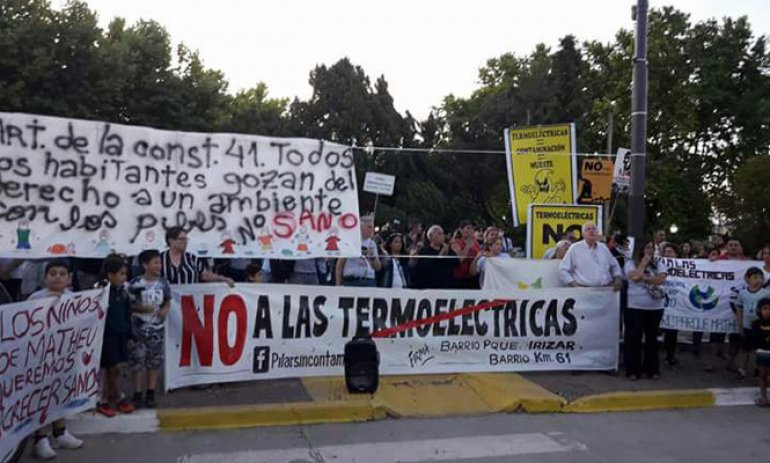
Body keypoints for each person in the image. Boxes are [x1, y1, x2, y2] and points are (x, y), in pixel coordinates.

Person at [28, 260, 83, 460]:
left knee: (61, 394)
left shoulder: (73, 298)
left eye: (62, 273)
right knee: (42, 397)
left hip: (66, 356)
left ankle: (60, 433)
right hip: (41, 357)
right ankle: (40, 438)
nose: (57, 277)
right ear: (45, 278)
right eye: (53, 273)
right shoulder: (35, 298)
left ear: (69, 279)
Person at [128, 250, 171, 409]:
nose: (158, 266)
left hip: (157, 329)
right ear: (145, 265)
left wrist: (165, 310)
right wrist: (140, 309)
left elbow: (167, 300)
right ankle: (137, 392)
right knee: (137, 360)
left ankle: (150, 392)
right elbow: (129, 305)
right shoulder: (134, 284)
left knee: (154, 361)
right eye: (155, 262)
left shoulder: (163, 283)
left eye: (159, 262)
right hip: (138, 329)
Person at [96, 255, 136, 417]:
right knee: (110, 368)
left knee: (118, 368)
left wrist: (130, 335)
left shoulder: (123, 293)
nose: (124, 278)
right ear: (110, 275)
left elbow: (127, 315)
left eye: (125, 274)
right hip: (106, 337)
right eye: (121, 274)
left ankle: (115, 395)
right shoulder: (101, 293)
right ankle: (105, 398)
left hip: (121, 335)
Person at [624, 242, 667, 380]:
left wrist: (645, 278)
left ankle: (651, 369)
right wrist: (643, 264)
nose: (650, 250)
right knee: (634, 338)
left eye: (652, 248)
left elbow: (660, 279)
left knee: (652, 339)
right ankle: (633, 370)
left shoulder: (659, 263)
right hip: (635, 306)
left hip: (655, 307)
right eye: (647, 247)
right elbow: (635, 277)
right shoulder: (630, 263)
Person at [558, 223, 623, 291]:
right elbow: (563, 270)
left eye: (594, 229)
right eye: (588, 229)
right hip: (584, 292)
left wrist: (617, 278)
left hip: (605, 291)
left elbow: (614, 266)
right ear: (583, 234)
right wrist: (574, 285)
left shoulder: (603, 248)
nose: (591, 231)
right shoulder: (575, 248)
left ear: (597, 233)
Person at [160, 227, 234, 286]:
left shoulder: (192, 258)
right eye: (182, 239)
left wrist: (223, 279)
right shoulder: (160, 259)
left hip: (188, 300)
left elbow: (205, 275)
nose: (185, 242)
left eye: (186, 239)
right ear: (171, 240)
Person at [735, 267, 770, 379]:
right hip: (746, 326)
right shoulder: (742, 293)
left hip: (761, 327)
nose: (758, 280)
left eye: (760, 277)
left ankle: (757, 369)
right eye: (755, 277)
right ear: (747, 279)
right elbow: (739, 309)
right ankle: (742, 369)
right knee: (745, 349)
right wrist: (740, 326)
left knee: (758, 349)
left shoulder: (766, 293)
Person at [336, 215, 381, 287]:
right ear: (361, 227)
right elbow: (340, 264)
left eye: (372, 227)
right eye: (369, 227)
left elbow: (378, 267)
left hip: (369, 280)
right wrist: (338, 283)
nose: (372, 230)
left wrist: (372, 256)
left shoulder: (372, 244)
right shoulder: (350, 241)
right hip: (352, 280)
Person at [410, 225, 459, 289]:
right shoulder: (424, 251)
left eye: (442, 234)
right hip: (429, 287)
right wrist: (441, 254)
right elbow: (425, 266)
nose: (442, 236)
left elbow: (456, 263)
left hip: (447, 287)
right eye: (439, 233)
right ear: (430, 236)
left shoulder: (449, 250)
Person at [659, 242, 682, 367]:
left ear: (676, 254)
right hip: (660, 300)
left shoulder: (683, 267)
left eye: (670, 252)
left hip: (675, 304)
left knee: (672, 332)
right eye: (665, 252)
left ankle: (670, 356)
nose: (667, 254)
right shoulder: (658, 265)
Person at [749, 299, 770, 406]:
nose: (767, 311)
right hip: (761, 353)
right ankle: (763, 397)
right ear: (760, 310)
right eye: (765, 309)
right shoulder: (756, 324)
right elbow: (753, 341)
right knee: (762, 376)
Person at [451, 220, 481, 289]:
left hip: (474, 277)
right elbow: (460, 259)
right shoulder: (455, 243)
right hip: (460, 279)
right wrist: (467, 245)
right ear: (461, 230)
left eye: (472, 228)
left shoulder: (476, 242)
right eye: (468, 228)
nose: (471, 230)